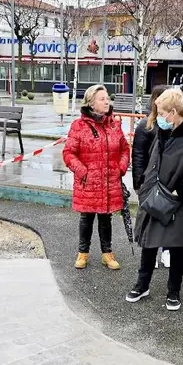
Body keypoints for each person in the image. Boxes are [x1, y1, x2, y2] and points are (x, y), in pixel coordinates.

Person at [126, 88, 183, 311]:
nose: (158, 117)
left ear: (173, 112)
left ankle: (174, 291)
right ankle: (142, 285)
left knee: (176, 246)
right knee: (149, 242)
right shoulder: (163, 132)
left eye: (162, 112)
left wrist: (178, 192)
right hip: (154, 197)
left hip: (177, 202)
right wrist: (144, 186)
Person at [63, 84, 130, 271]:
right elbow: (68, 153)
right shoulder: (79, 126)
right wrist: (83, 172)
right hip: (88, 183)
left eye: (107, 98)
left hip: (109, 181)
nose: (107, 101)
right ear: (91, 103)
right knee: (86, 218)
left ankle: (107, 253)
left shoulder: (114, 125)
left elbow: (125, 149)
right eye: (102, 98)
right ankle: (83, 253)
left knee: (106, 218)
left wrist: (121, 168)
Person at [131, 85, 170, 267]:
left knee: (168, 218)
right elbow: (138, 155)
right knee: (148, 217)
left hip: (168, 182)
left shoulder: (173, 124)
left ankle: (166, 251)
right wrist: (138, 182)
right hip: (148, 181)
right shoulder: (145, 125)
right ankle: (150, 252)